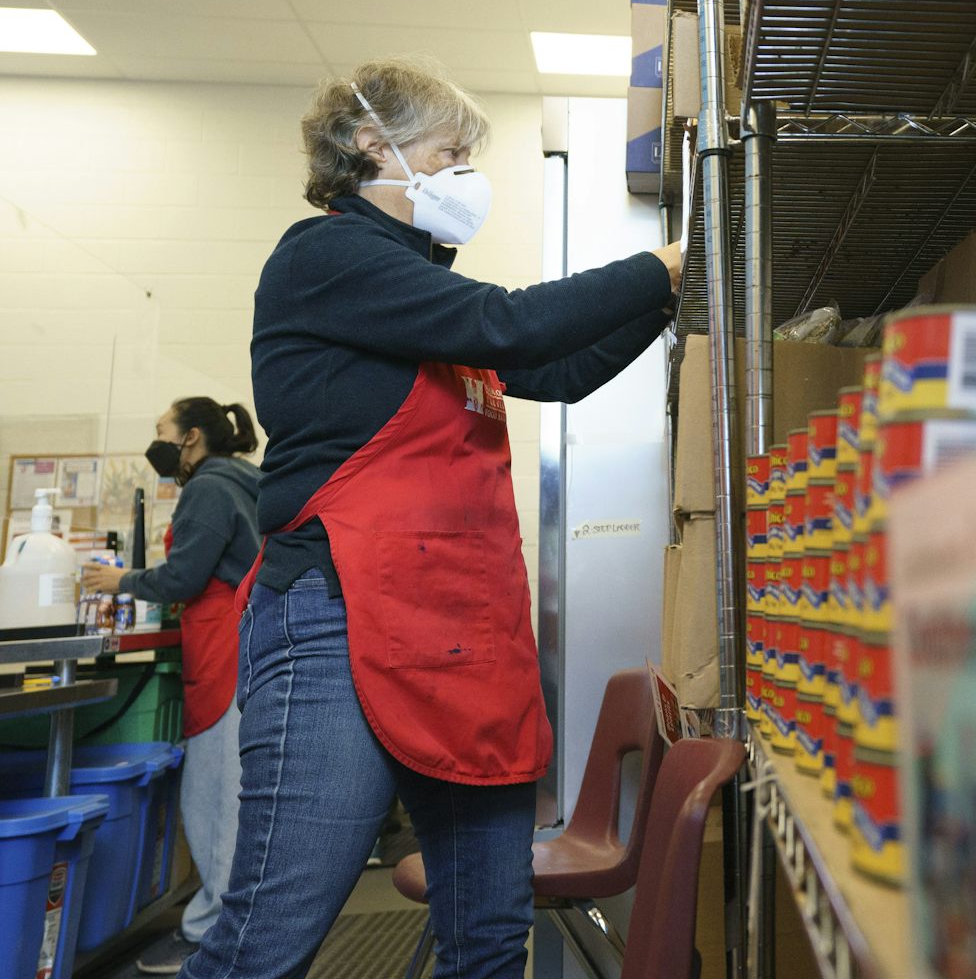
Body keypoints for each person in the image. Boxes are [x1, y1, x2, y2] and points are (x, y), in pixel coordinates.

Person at [181, 59, 682, 978]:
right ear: (374, 147)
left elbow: (555, 371)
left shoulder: (420, 308)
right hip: (342, 620)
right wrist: (659, 262)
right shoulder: (325, 257)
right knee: (270, 934)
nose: (464, 175)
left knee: (489, 935)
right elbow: (513, 326)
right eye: (449, 152)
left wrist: (668, 299)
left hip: (463, 636)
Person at [81, 398, 261, 975]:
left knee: (211, 802)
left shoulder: (208, 487)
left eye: (161, 430)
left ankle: (210, 936)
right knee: (232, 800)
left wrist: (121, 579)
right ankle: (225, 926)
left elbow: (183, 575)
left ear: (189, 439)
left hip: (223, 649)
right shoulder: (247, 479)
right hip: (246, 644)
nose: (155, 440)